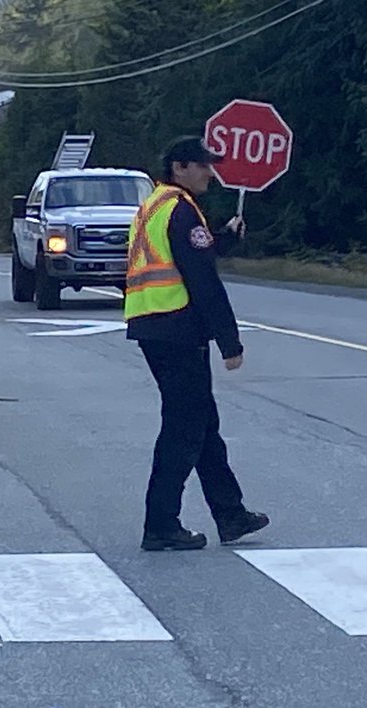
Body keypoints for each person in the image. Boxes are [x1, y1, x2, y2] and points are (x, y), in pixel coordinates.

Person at [124, 136, 269, 551]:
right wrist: (230, 341)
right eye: (203, 165)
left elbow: (191, 256)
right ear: (179, 167)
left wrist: (223, 238)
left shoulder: (156, 204)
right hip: (176, 330)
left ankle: (231, 514)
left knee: (202, 425)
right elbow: (203, 281)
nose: (211, 171)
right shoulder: (181, 211)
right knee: (184, 428)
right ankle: (161, 524)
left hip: (155, 324)